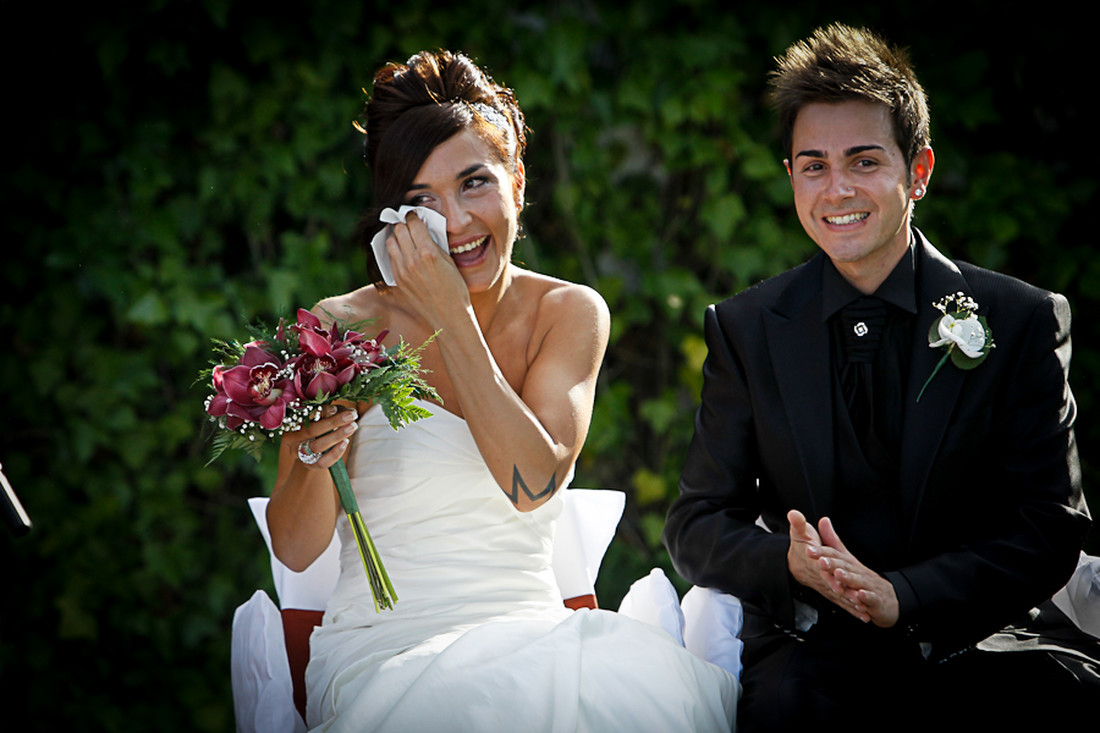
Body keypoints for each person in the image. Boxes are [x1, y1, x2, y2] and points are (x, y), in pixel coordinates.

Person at [266, 50, 738, 732]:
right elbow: (294, 546)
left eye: (474, 184)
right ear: (393, 218)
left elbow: (533, 483)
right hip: (386, 656)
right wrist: (317, 455)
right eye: (423, 202)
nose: (455, 222)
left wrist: (450, 315)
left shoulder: (569, 312)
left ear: (516, 180)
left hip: (538, 640)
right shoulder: (342, 326)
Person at [663, 23, 1093, 730]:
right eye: (813, 165)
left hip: (978, 639)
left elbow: (1050, 527)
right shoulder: (745, 329)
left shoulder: (1019, 320)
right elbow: (697, 521)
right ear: (792, 176)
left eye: (864, 162)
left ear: (917, 171)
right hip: (815, 651)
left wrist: (907, 594)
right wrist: (790, 565)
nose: (837, 190)